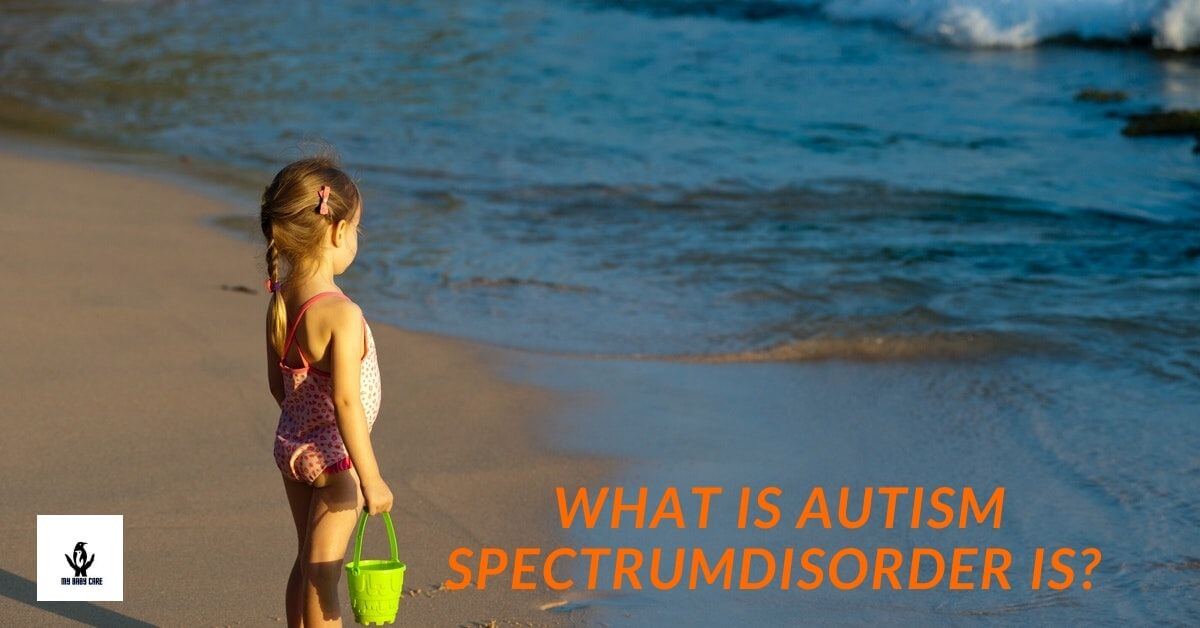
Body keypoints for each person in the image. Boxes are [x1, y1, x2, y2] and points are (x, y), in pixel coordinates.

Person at [260, 155, 393, 626]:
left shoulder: (282, 299)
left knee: (306, 560)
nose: (355, 238)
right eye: (356, 229)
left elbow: (280, 385)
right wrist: (369, 477)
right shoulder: (341, 313)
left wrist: (304, 426)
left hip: (292, 445)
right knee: (323, 576)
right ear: (336, 231)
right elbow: (345, 402)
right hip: (336, 462)